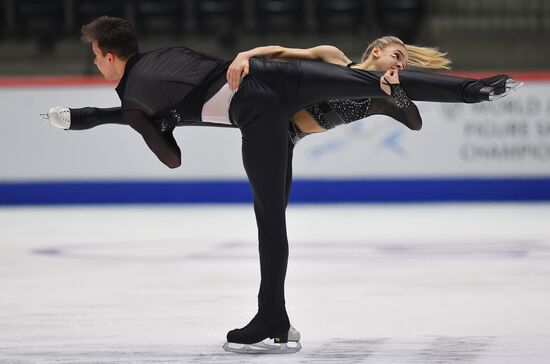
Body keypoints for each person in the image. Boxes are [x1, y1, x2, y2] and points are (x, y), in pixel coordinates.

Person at [43, 16, 521, 354]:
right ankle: (474, 90)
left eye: (95, 58)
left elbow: (171, 158)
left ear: (108, 57)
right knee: (374, 83)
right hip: (280, 80)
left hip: (259, 117)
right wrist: (96, 118)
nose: (96, 66)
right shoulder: (165, 55)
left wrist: (143, 123)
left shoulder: (132, 97)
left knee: (270, 219)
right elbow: (197, 87)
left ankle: (272, 317)